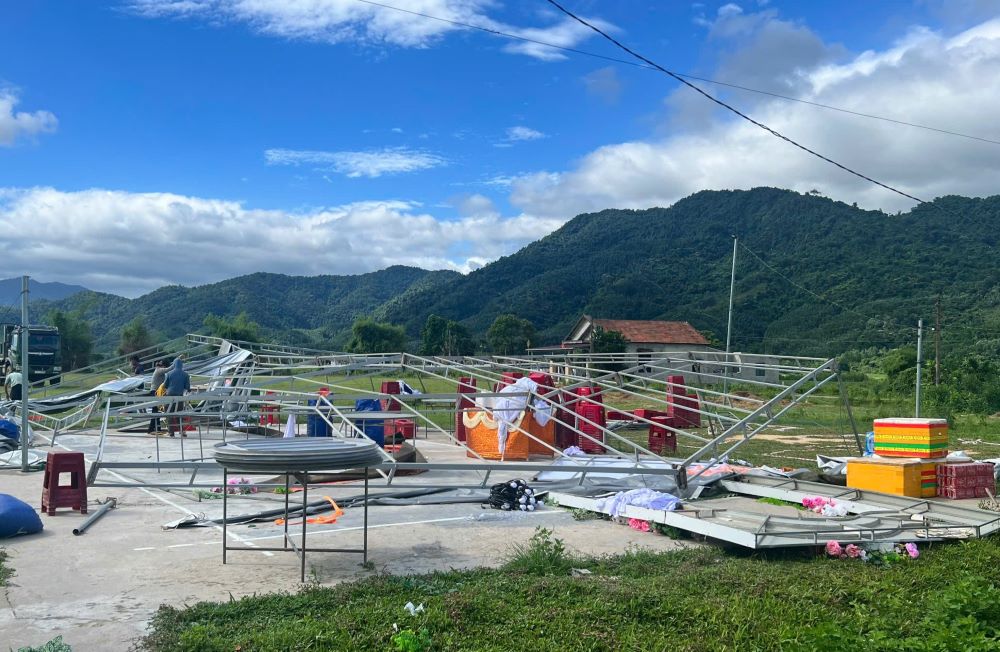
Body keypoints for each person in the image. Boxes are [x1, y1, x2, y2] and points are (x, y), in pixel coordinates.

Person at [163, 357, 191, 437]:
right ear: (181, 365)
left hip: (169, 396)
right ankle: (182, 431)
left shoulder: (169, 373)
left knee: (169, 414)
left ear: (174, 364)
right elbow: (187, 387)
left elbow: (165, 385)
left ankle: (171, 432)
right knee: (180, 414)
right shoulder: (185, 374)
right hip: (179, 396)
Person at [147, 359, 169, 435]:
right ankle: (150, 429)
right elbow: (168, 369)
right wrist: (176, 363)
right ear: (163, 366)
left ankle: (157, 428)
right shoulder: (159, 370)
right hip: (154, 392)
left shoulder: (159, 371)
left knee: (157, 411)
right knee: (155, 411)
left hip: (157, 392)